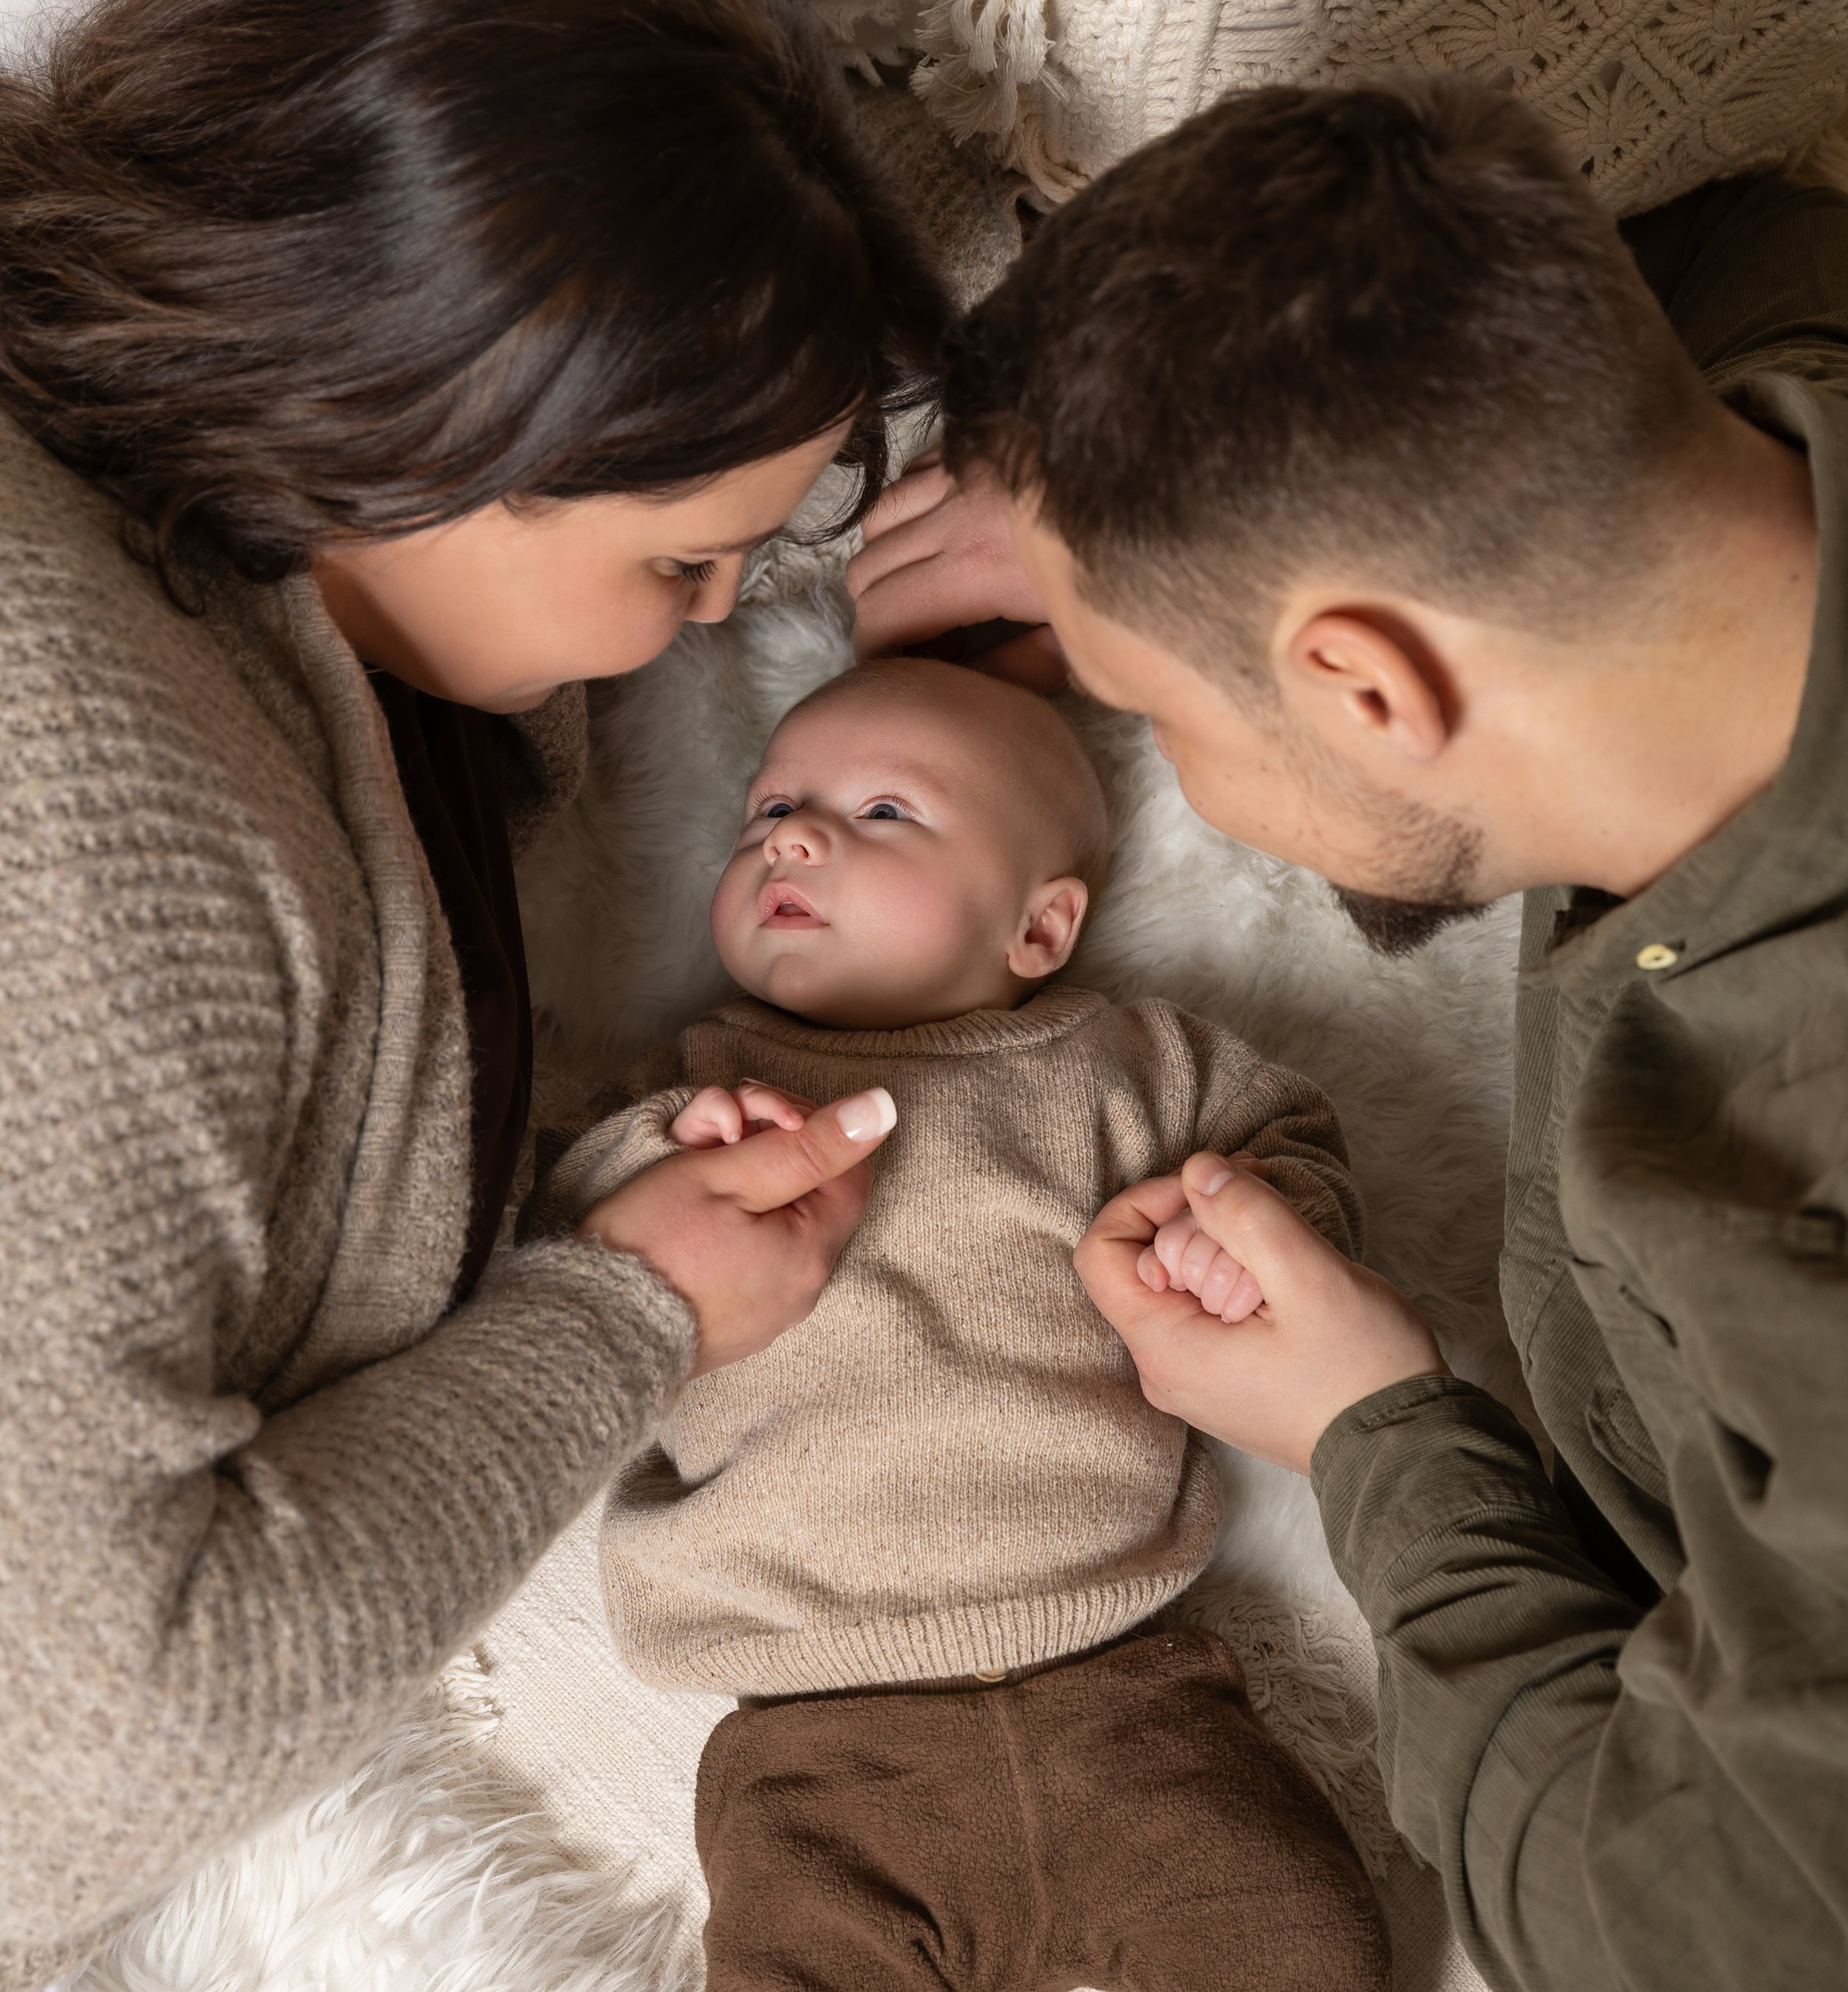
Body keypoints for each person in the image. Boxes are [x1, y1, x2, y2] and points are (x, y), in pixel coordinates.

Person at [849, 76, 1848, 1992]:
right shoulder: (1824, 445)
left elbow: (1702, 1934)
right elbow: (1722, 227)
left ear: (1365, 685)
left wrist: (1368, 1432)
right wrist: (1097, 498)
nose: (1192, 789)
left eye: (1168, 719)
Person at [0, 0, 954, 1980]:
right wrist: (627, 1314)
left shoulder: (229, 448)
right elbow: (89, 1743)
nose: (711, 617)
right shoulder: (124, 831)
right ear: (442, 427)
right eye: (682, 562)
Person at [524, 657, 1390, 1992]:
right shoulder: (692, 1090)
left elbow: (1288, 1139)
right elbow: (567, 1240)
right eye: (768, 811)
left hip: (1126, 1689)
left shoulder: (1126, 1067)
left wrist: (1249, 1226)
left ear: (1038, 932)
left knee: (1304, 1943)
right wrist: (659, 1157)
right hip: (819, 1740)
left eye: (880, 812)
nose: (792, 836)